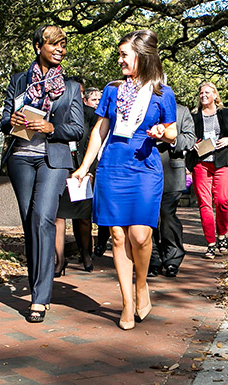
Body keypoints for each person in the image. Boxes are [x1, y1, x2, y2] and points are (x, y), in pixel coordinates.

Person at [72, 29, 178, 330]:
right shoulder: (111, 90)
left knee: (140, 236)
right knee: (118, 236)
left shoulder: (162, 94)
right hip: (112, 166)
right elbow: (100, 131)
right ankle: (128, 303)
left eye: (124, 55)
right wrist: (84, 167)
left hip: (145, 167)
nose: (119, 60)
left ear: (142, 57)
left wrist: (162, 132)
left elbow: (172, 132)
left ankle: (142, 284)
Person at [0, 25, 84, 323]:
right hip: (20, 158)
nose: (60, 49)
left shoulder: (71, 87)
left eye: (63, 45)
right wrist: (9, 120)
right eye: (54, 44)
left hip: (53, 160)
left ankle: (40, 297)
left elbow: (77, 128)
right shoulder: (19, 81)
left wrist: (51, 128)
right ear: (38, 46)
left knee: (43, 219)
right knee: (29, 222)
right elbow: (3, 123)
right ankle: (38, 282)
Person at [187, 81, 228, 259]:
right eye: (201, 93)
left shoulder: (226, 114)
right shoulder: (194, 116)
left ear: (215, 96)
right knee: (204, 204)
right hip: (201, 163)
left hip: (224, 161)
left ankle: (222, 235)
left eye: (207, 92)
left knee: (222, 200)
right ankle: (211, 243)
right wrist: (193, 145)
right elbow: (187, 137)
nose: (203, 95)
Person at [54, 86, 101, 274]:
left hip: (81, 170)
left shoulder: (90, 114)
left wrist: (90, 171)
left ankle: (86, 254)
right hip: (58, 169)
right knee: (58, 217)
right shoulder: (56, 111)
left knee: (82, 218)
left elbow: (96, 142)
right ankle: (59, 260)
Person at [148, 104, 195, 277]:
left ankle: (172, 258)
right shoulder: (143, 107)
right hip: (145, 170)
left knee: (167, 214)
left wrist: (171, 140)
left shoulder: (181, 111)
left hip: (172, 172)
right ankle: (152, 259)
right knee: (149, 216)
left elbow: (190, 139)